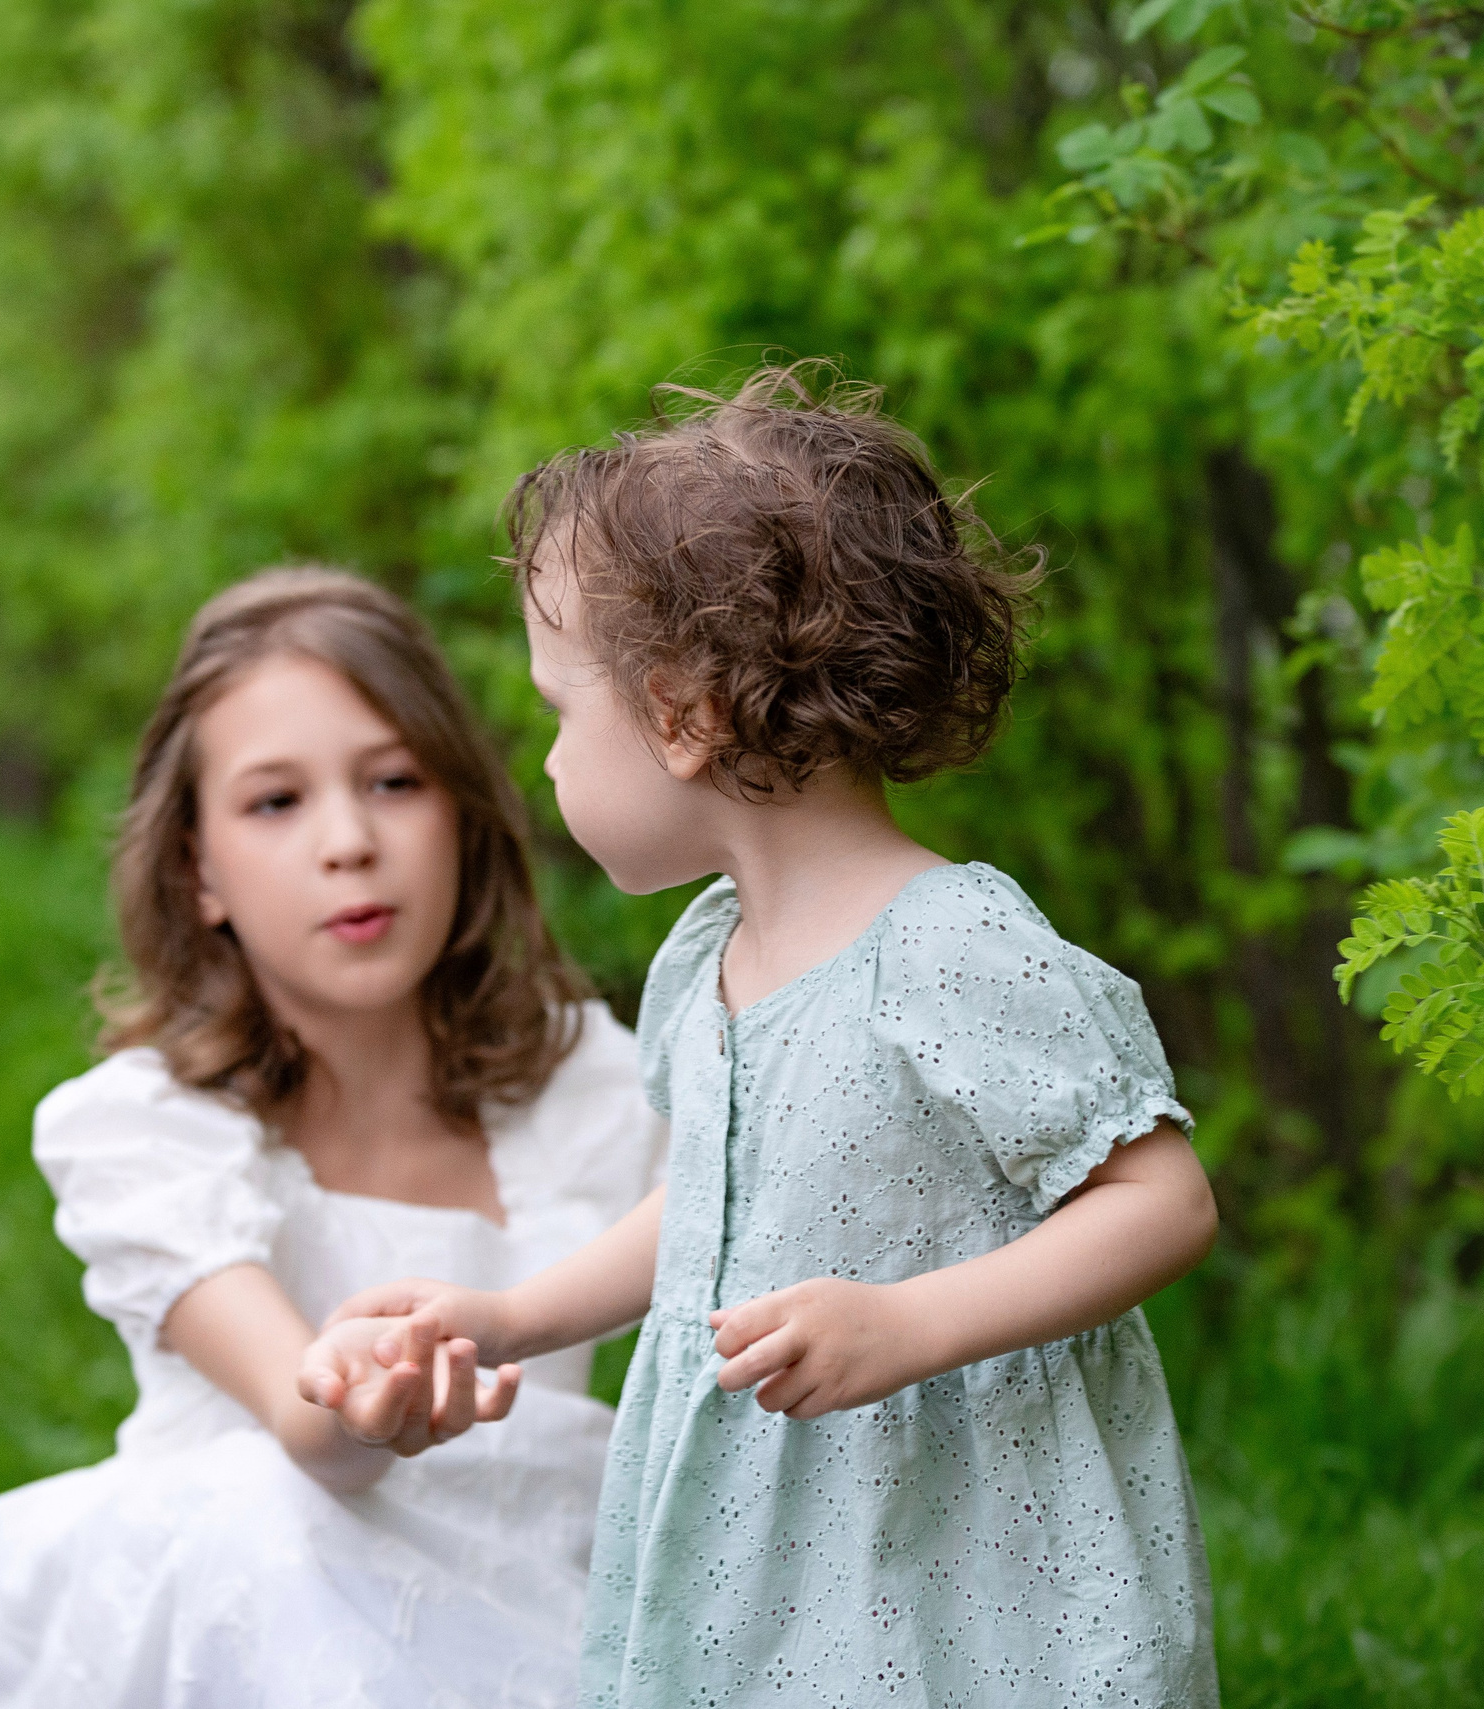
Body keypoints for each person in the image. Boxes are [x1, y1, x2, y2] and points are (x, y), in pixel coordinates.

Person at [305, 367, 1222, 1706]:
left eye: (563, 711)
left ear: (683, 716)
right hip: (772, 1541)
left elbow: (1160, 1200)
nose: (548, 761)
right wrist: (509, 1314)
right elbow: (702, 1213)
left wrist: (910, 1323)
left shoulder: (949, 945)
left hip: (958, 1549)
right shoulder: (706, 957)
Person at [0, 568, 669, 1709]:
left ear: (460, 810)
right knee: (268, 1508)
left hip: (540, 1588)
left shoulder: (589, 1083)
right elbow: (313, 1433)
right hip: (264, 1617)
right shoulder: (147, 1129)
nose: (348, 842)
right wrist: (364, 1399)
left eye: (394, 781)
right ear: (197, 868)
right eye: (275, 802)